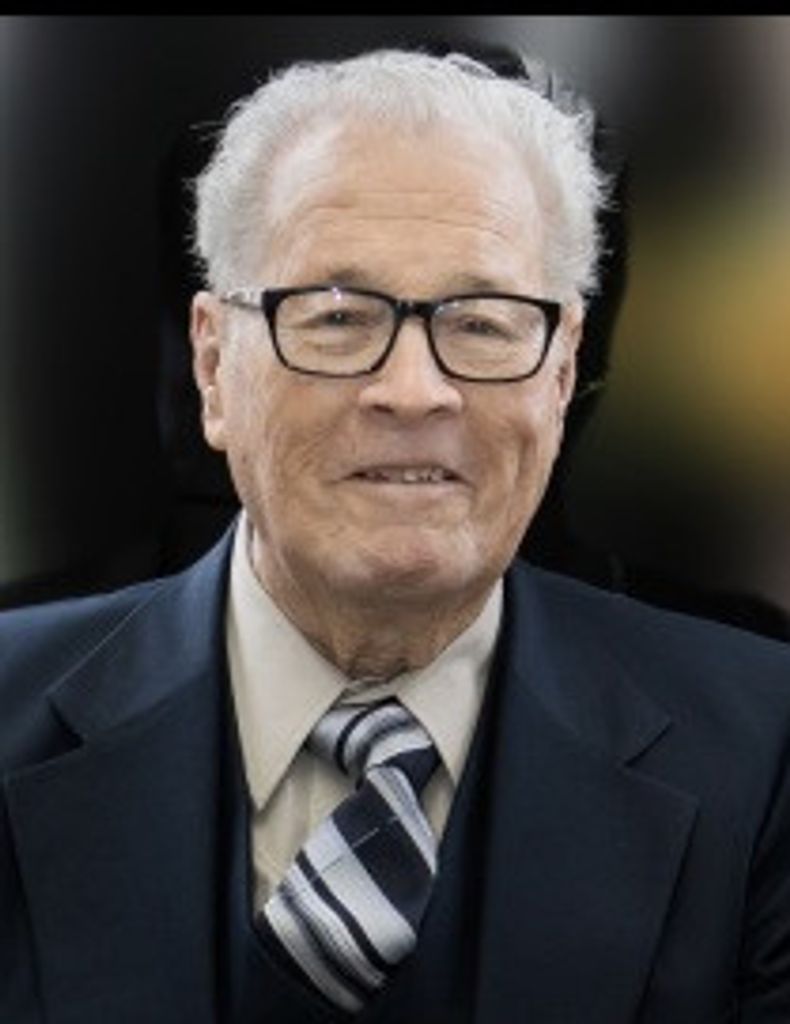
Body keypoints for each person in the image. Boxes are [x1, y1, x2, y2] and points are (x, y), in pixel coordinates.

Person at [1, 48, 789, 1024]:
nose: (414, 391)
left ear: (561, 374)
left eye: (484, 323)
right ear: (212, 366)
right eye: (336, 316)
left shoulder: (765, 750)